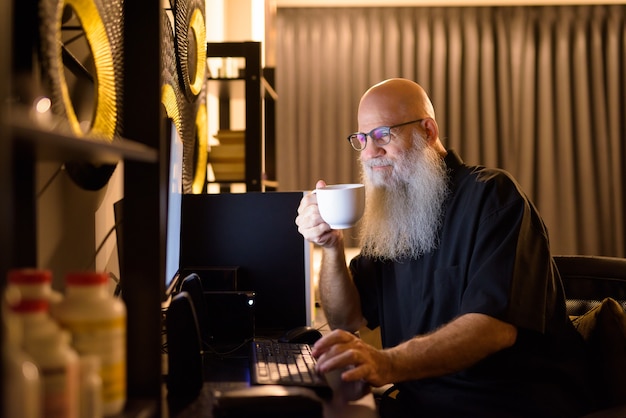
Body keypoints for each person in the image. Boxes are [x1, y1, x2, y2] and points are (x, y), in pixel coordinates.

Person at [295, 78, 592, 417]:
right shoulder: (394, 213)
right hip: (419, 402)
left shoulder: (493, 195)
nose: (368, 153)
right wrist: (330, 247)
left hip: (504, 403)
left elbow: (493, 328)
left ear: (428, 131)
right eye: (361, 139)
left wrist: (387, 362)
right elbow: (346, 319)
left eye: (382, 135)